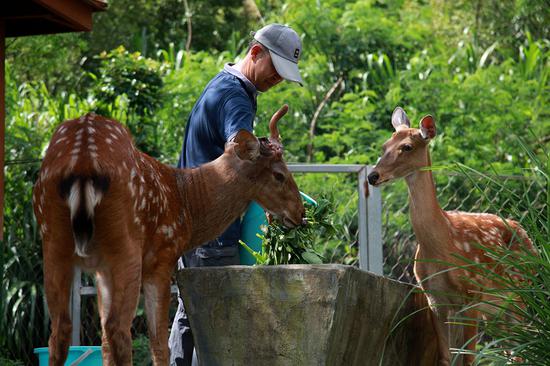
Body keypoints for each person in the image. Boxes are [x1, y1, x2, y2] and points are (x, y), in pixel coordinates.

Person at [169, 23, 304, 366]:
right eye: (276, 70)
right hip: (211, 230)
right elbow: (237, 147)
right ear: (256, 53)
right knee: (215, 321)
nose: (278, 80)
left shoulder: (223, 85)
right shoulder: (235, 95)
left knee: (192, 313)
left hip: (193, 224)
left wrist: (262, 144)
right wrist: (263, 148)